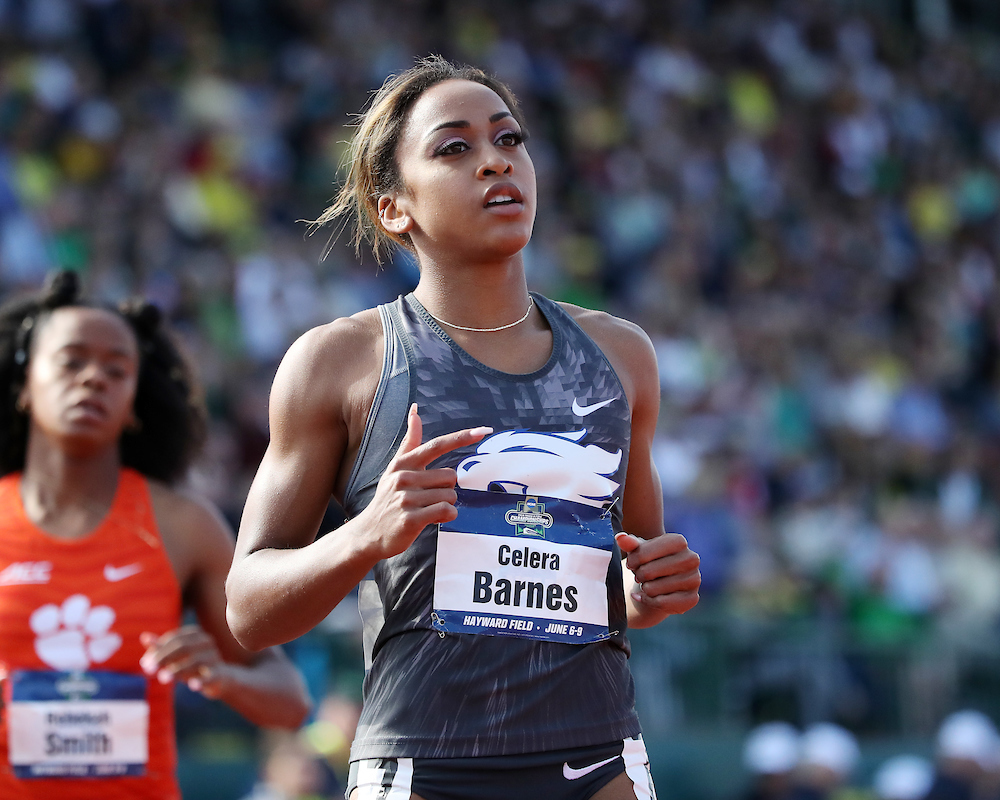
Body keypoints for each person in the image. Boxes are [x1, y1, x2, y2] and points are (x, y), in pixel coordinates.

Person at [225, 56, 701, 800]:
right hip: (422, 764)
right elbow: (247, 612)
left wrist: (652, 593)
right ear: (393, 208)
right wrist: (364, 534)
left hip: (599, 757)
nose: (494, 162)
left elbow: (627, 588)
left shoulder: (621, 355)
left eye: (509, 140)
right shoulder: (341, 361)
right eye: (455, 148)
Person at [0, 272, 311, 799]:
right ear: (22, 386)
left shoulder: (183, 527)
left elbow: (290, 701)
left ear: (133, 404)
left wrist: (224, 677)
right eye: (71, 361)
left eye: (117, 369)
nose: (93, 378)